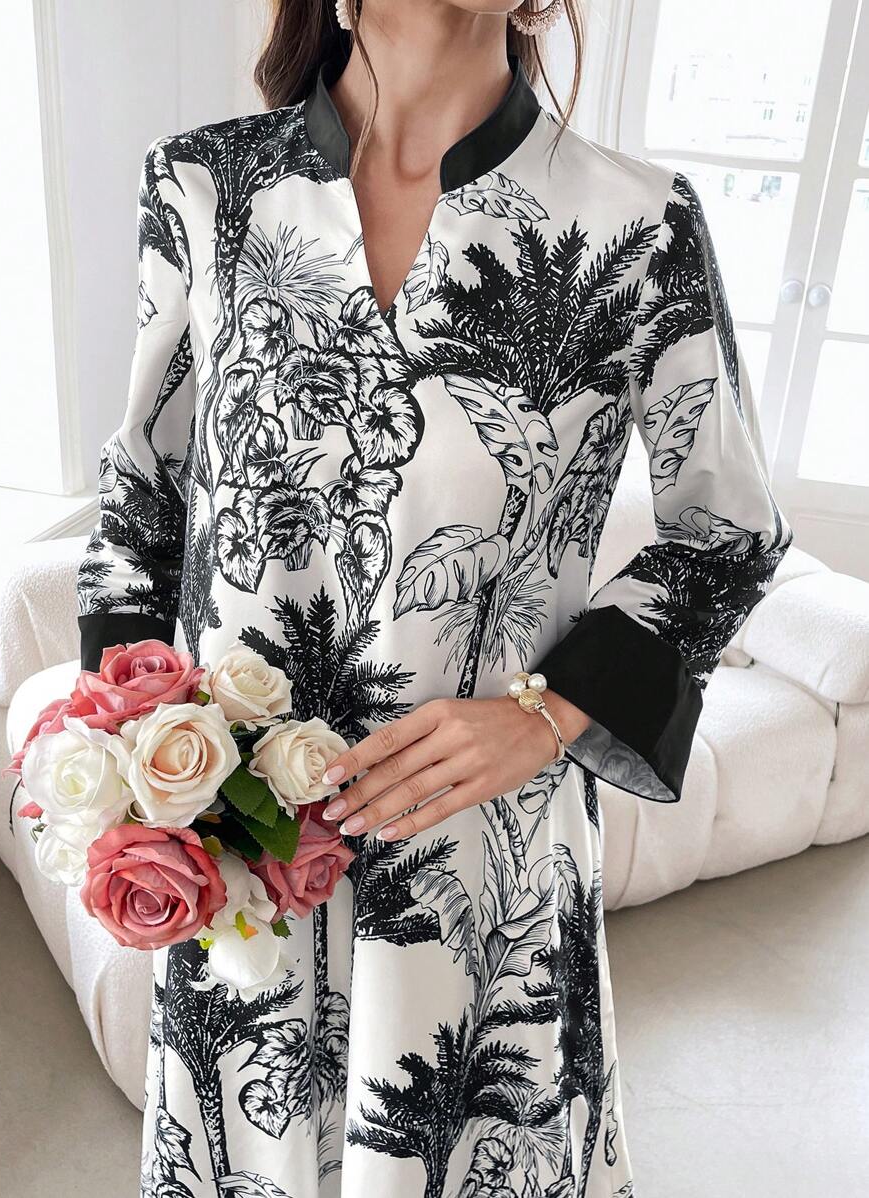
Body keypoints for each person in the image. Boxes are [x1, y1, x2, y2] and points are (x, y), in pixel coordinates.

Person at [77, 2, 793, 1195]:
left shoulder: (636, 224)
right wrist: (128, 771)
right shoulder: (206, 188)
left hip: (480, 868)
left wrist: (547, 714)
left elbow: (729, 534)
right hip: (245, 853)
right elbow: (140, 500)